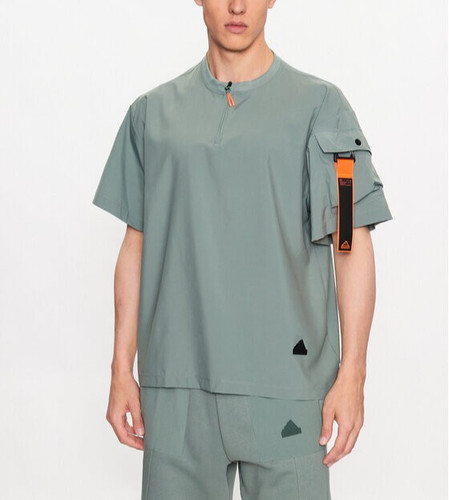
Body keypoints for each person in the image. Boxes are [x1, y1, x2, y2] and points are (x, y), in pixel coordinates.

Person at [92, 1, 393, 498]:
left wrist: (353, 373)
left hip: (289, 387)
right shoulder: (152, 114)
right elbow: (136, 243)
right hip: (179, 388)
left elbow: (350, 241)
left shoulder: (320, 108)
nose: (237, 5)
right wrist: (121, 369)